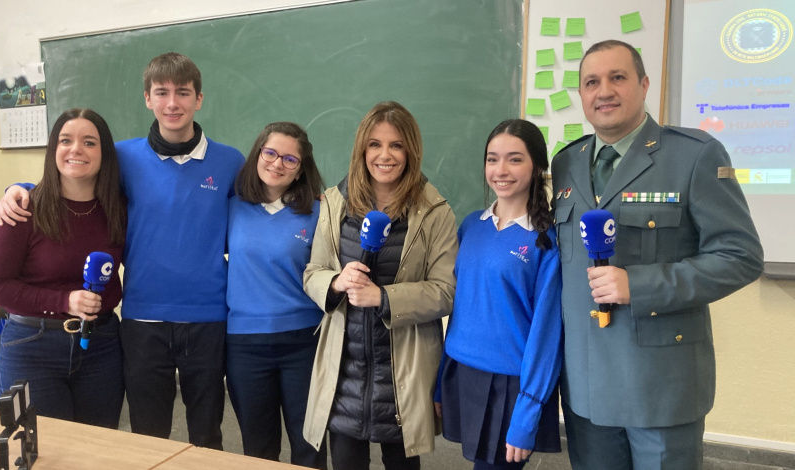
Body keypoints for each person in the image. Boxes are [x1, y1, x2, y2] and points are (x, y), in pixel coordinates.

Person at [0, 52, 245, 449]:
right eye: (161, 93)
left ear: (199, 99)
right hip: (142, 318)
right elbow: (70, 176)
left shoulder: (231, 161)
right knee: (146, 435)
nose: (172, 103)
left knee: (206, 433)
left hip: (209, 317)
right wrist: (20, 188)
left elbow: (258, 212)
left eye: (183, 93)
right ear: (147, 98)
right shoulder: (123, 158)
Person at [551, 39, 763, 469]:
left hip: (661, 384)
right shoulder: (565, 163)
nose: (603, 91)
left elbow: (740, 255)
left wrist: (641, 284)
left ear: (644, 84)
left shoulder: (692, 155)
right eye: (591, 82)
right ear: (582, 96)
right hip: (587, 383)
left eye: (618, 77)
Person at [302, 101, 458, 470]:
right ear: (362, 149)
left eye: (396, 145)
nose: (384, 155)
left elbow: (445, 290)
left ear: (411, 150)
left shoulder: (435, 211)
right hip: (345, 368)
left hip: (402, 367)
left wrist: (384, 297)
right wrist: (337, 281)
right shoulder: (335, 202)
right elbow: (313, 272)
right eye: (375, 144)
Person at [0, 108, 126, 428]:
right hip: (33, 347)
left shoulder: (118, 209)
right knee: (42, 453)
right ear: (53, 149)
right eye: (65, 140)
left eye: (89, 142)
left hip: (101, 347)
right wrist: (65, 301)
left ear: (105, 154)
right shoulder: (24, 207)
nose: (76, 149)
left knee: (97, 450)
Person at [437, 119, 562, 470]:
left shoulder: (546, 241)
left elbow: (547, 335)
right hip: (463, 372)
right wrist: (440, 383)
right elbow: (462, 307)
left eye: (515, 159)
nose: (500, 170)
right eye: (492, 159)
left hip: (510, 387)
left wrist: (528, 412)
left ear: (537, 167)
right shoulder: (471, 225)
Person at [225, 121, 327, 468]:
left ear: (301, 170)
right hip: (245, 344)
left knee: (308, 448)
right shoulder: (232, 207)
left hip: (303, 342)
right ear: (257, 155)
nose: (277, 163)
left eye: (289, 159)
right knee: (258, 449)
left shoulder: (319, 213)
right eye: (270, 153)